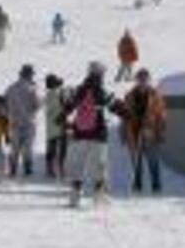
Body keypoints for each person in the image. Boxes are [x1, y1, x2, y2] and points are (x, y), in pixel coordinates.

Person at [62, 62, 115, 208]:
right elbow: (113, 105)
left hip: (80, 132)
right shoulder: (100, 90)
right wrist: (129, 114)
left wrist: (61, 119)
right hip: (98, 133)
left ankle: (74, 197)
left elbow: (68, 106)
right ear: (100, 74)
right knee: (98, 166)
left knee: (78, 165)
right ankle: (99, 198)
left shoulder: (80, 89)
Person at [120, 70, 168, 194]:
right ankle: (137, 186)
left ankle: (156, 187)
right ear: (136, 80)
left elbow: (161, 115)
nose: (142, 81)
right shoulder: (129, 95)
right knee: (136, 163)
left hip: (149, 132)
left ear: (148, 80)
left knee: (153, 161)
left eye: (145, 79)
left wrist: (161, 132)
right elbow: (124, 117)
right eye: (140, 79)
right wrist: (123, 134)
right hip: (133, 132)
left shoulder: (155, 95)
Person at [4, 65, 41, 177]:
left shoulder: (10, 88)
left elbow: (5, 105)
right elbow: (37, 105)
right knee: (28, 148)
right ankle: (27, 169)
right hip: (29, 122)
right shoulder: (32, 88)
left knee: (14, 147)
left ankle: (12, 169)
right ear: (29, 75)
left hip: (14, 122)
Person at [43, 73, 69, 178]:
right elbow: (66, 105)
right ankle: (61, 167)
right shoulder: (59, 94)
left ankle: (49, 168)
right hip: (60, 123)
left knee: (51, 148)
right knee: (63, 147)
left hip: (50, 125)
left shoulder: (47, 95)